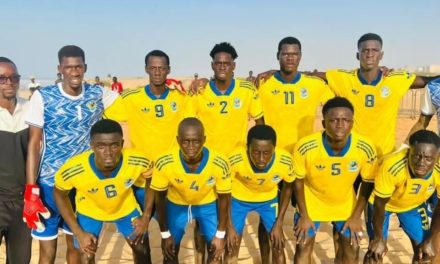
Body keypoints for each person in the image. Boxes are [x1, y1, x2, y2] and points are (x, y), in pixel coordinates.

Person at [24, 45, 120, 264]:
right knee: (47, 253)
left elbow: (131, 106)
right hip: (50, 183)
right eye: (69, 68)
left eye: (78, 67)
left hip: (82, 184)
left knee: (76, 248)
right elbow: (34, 144)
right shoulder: (42, 97)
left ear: (85, 67)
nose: (74, 72)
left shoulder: (98, 93)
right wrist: (31, 191)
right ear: (60, 69)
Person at [104, 49, 192, 262]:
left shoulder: (181, 99)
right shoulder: (131, 98)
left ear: (169, 70)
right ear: (146, 69)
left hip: (171, 181)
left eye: (162, 68)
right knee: (140, 243)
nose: (158, 72)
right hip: (141, 180)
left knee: (171, 243)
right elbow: (106, 119)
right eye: (153, 68)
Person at [189, 42, 264, 262]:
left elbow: (260, 123)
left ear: (234, 65)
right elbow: (188, 125)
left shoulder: (247, 90)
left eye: (226, 63)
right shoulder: (200, 91)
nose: (222, 66)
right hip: (206, 165)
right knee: (202, 220)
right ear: (212, 65)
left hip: (236, 165)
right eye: (218, 63)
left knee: (229, 219)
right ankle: (200, 257)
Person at [54, 119, 153, 263]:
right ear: (92, 146)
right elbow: (59, 193)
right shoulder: (74, 169)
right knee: (86, 254)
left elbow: (150, 178)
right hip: (90, 212)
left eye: (114, 145)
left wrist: (146, 217)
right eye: (101, 146)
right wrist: (78, 232)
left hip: (125, 209)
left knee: (142, 249)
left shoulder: (138, 160)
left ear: (122, 143)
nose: (108, 153)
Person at [292, 97, 378, 263]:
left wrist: (356, 216)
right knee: (303, 244)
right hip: (312, 203)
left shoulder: (365, 147)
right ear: (324, 124)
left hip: (344, 204)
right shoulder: (305, 146)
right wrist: (303, 215)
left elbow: (367, 184)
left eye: (345, 120)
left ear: (352, 123)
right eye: (334, 120)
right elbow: (298, 182)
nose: (340, 125)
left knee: (352, 247)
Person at [150, 117, 231, 264]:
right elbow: (160, 200)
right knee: (170, 251)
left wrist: (220, 234)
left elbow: (225, 198)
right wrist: (164, 234)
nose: (191, 146)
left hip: (207, 204)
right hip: (176, 204)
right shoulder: (164, 162)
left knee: (216, 250)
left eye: (196, 141)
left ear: (204, 140)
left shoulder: (220, 162)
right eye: (186, 141)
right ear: (178, 140)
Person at [225, 125, 300, 263]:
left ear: (274, 149)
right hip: (238, 200)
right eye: (255, 152)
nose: (261, 159)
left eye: (266, 153)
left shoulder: (285, 161)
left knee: (278, 245)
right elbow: (224, 192)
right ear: (247, 148)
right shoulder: (235, 158)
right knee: (231, 245)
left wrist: (279, 222)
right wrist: (228, 226)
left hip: (268, 201)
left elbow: (288, 188)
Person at [364, 130, 440, 263]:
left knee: (425, 251)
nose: (421, 163)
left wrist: (430, 239)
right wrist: (378, 238)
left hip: (413, 206)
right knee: (375, 252)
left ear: (437, 157)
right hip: (382, 206)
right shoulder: (392, 166)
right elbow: (379, 203)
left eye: (428, 158)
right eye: (416, 156)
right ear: (408, 152)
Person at [0, 57, 31, 263]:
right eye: (2, 78)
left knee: (20, 260)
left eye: (14, 77)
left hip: (24, 201)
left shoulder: (31, 110)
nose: (10, 82)